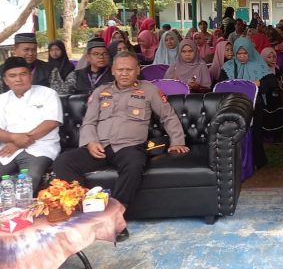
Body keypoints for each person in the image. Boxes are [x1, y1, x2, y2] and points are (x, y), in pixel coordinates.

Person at [53, 51, 189, 241]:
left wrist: (177, 142)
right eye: (120, 69)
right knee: (63, 161)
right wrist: (90, 142)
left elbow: (168, 116)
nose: (124, 73)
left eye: (129, 70)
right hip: (99, 146)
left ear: (138, 70)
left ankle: (114, 218)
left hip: (129, 147)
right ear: (113, 71)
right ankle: (85, 214)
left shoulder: (149, 90)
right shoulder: (101, 92)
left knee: (134, 165)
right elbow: (89, 122)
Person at [0, 57, 62, 201]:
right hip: (6, 148)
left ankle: (17, 218)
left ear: (31, 76)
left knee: (29, 178)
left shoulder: (48, 94)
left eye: (23, 74)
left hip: (40, 147)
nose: (18, 79)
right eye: (12, 76)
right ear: (6, 80)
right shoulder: (0, 100)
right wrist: (14, 140)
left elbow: (51, 122)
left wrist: (20, 141)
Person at [220, 37, 277, 168]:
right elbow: (220, 83)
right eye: (239, 54)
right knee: (236, 133)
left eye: (245, 53)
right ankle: (238, 162)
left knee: (255, 132)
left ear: (250, 52)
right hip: (234, 104)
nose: (242, 56)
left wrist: (260, 83)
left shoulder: (259, 64)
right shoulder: (228, 66)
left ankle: (257, 160)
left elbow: (272, 82)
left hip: (255, 104)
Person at [0, 33, 54, 99]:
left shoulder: (49, 69)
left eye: (34, 50)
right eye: (26, 50)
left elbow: (60, 95)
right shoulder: (2, 70)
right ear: (15, 49)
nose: (30, 53)